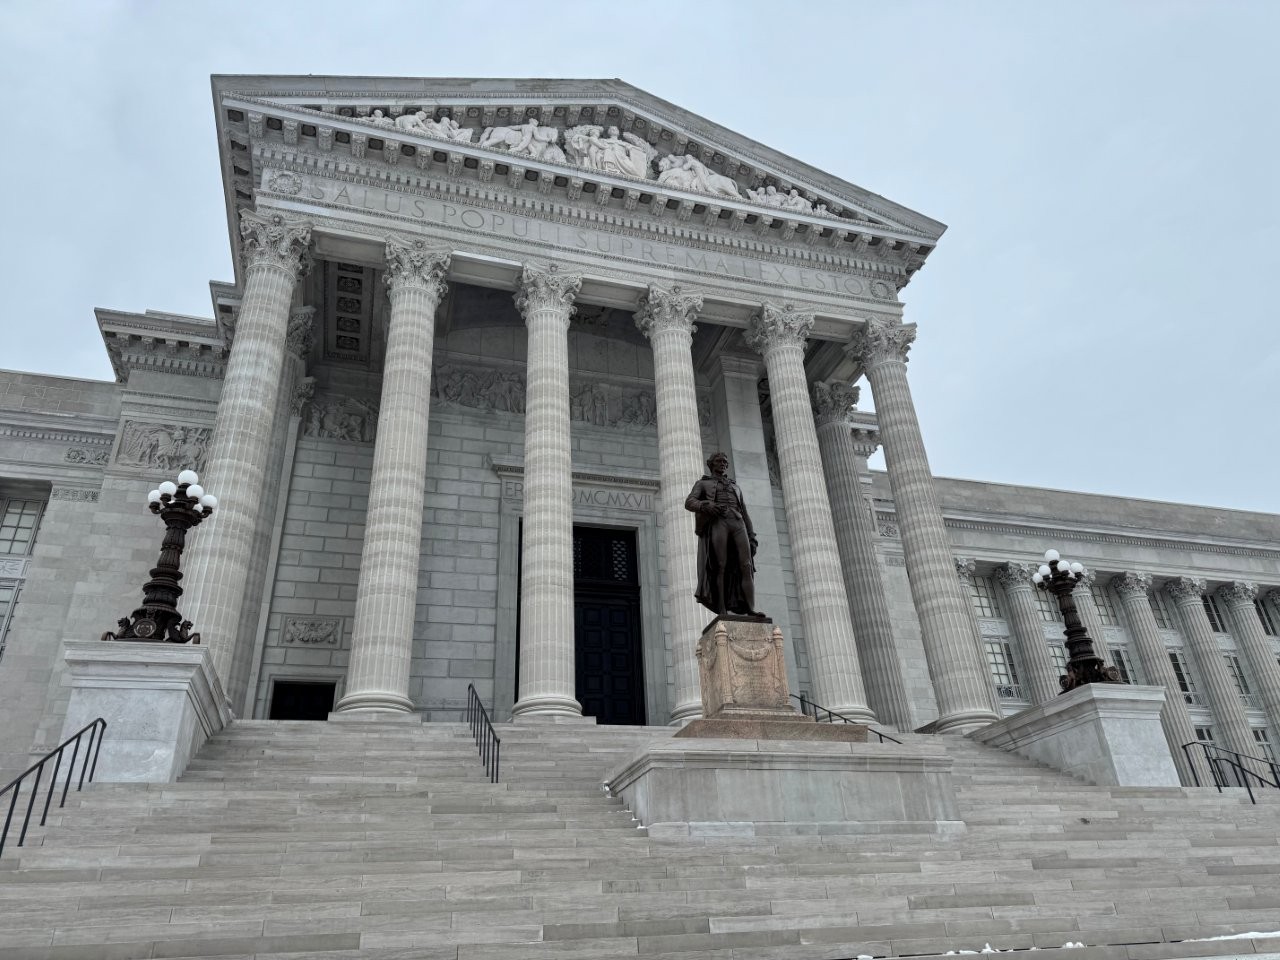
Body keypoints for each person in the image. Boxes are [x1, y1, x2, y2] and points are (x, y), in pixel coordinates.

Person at [685, 452, 762, 617]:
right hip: (719, 522)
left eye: (725, 462)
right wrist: (706, 505)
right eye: (719, 461)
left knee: (746, 565)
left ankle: (750, 608)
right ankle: (721, 609)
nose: (723, 464)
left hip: (738, 521)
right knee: (720, 566)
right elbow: (690, 502)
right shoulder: (703, 484)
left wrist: (752, 536)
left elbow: (745, 512)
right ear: (711, 464)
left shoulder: (735, 486)